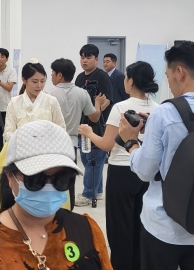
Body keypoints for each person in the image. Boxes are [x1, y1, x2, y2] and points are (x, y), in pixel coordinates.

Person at [118, 41, 194, 270]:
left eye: (168, 75)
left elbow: (146, 171)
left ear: (179, 72)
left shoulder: (165, 112)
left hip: (165, 228)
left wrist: (131, 142)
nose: (169, 82)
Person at [0, 120, 113, 270]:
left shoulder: (87, 231)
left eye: (61, 179)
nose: (49, 188)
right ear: (10, 177)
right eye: (36, 179)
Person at [79, 61, 159, 269]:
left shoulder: (121, 108)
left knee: (120, 230)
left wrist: (89, 133)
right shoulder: (158, 109)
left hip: (121, 172)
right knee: (142, 226)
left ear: (131, 81)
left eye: (126, 78)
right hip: (147, 172)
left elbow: (106, 145)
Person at [0, 59, 67, 224]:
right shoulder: (14, 102)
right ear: (24, 80)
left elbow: (61, 129)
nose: (39, 85)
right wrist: (25, 137)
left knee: (46, 195)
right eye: (34, 81)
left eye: (42, 81)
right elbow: (7, 133)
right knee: (15, 195)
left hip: (45, 156)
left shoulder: (51, 101)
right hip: (19, 154)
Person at [43, 58, 104, 214]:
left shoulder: (49, 94)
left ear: (60, 75)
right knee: (69, 180)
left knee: (49, 180)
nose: (51, 77)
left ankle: (50, 210)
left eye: (52, 73)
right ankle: (68, 210)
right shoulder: (82, 93)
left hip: (51, 143)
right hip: (71, 144)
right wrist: (97, 103)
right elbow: (94, 117)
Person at [74, 44, 112, 207]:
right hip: (83, 124)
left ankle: (88, 194)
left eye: (88, 57)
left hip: (98, 125)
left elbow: (107, 100)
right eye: (82, 57)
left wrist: (93, 113)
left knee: (93, 160)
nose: (84, 60)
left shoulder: (103, 77)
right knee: (88, 158)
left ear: (96, 59)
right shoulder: (79, 77)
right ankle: (99, 190)